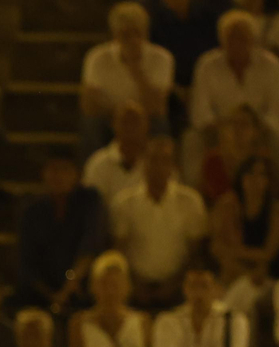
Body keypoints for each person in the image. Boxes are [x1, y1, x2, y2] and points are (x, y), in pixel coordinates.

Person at [188, 10, 279, 178]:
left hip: (260, 131)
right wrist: (226, 132)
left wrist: (252, 131)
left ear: (253, 39)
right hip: (218, 131)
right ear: (222, 40)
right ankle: (196, 197)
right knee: (191, 141)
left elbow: (277, 112)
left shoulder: (272, 66)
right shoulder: (206, 65)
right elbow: (200, 113)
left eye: (242, 37)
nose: (237, 43)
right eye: (231, 37)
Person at [110, 137, 210, 307]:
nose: (158, 166)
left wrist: (175, 284)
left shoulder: (190, 201)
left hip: (179, 289)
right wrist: (135, 284)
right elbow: (119, 250)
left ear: (173, 166)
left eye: (165, 160)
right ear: (143, 163)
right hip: (136, 289)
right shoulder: (124, 202)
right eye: (153, 160)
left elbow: (196, 251)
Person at [15, 150, 108, 316]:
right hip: (44, 292)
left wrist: (69, 285)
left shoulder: (90, 201)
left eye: (64, 169)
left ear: (77, 175)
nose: (58, 176)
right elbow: (27, 259)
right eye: (52, 170)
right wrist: (53, 295)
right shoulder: (33, 209)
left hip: (81, 286)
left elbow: (90, 245)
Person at [80, 2, 174, 154]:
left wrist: (135, 68)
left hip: (145, 119)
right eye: (126, 34)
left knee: (159, 124)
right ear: (115, 34)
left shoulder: (162, 58)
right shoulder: (96, 57)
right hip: (110, 118)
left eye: (137, 33)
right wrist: (120, 117)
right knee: (91, 123)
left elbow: (157, 107)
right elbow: (88, 105)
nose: (133, 40)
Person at [151, 260, 251, 347]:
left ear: (217, 289)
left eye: (204, 286)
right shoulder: (168, 320)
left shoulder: (234, 320)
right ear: (185, 289)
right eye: (192, 286)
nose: (198, 293)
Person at [150, 0, 233, 116]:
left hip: (209, 87)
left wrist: (200, 88)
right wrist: (175, 89)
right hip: (172, 95)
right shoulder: (154, 27)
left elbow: (218, 55)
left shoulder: (209, 20)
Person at [69, 250, 152, 347]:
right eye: (104, 284)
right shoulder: (78, 324)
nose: (110, 291)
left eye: (116, 284)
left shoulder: (143, 322)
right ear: (93, 287)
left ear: (127, 287)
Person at [210, 153, 279, 284]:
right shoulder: (229, 205)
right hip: (238, 268)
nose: (254, 179)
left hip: (268, 271)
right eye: (249, 173)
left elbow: (269, 254)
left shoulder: (277, 210)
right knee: (227, 267)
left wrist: (236, 252)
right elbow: (216, 246)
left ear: (268, 180)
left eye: (261, 174)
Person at [83, 100, 154, 209]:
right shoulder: (98, 164)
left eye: (135, 122)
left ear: (146, 125)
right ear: (114, 125)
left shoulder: (158, 163)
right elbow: (91, 207)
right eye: (125, 121)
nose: (130, 127)